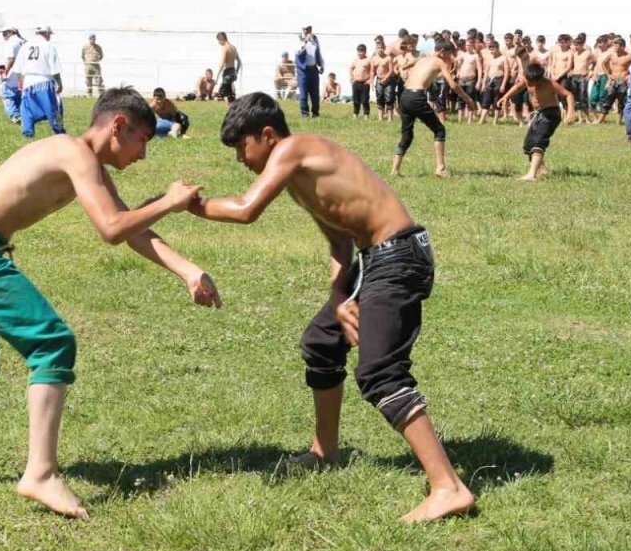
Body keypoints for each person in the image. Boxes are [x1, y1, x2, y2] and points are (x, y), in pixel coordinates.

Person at [0, 89, 219, 518]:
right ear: (118, 125)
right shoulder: (74, 152)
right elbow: (112, 228)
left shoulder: (80, 158)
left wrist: (188, 271)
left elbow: (128, 229)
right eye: (143, 140)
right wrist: (167, 202)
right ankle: (40, 474)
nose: (143, 154)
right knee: (53, 343)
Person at [188, 94, 476, 522]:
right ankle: (325, 452)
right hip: (376, 258)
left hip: (398, 257)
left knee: (380, 373)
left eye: (241, 148)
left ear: (267, 136)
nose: (239, 159)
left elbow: (247, 210)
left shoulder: (294, 149)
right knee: (322, 342)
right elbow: (340, 239)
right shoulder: (297, 177)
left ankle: (448, 487)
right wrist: (340, 298)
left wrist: (190, 206)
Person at [392, 38, 476, 178]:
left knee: (407, 135)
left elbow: (411, 66)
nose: (451, 57)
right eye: (450, 54)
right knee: (439, 130)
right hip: (417, 97)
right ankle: (441, 168)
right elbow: (453, 85)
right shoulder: (439, 61)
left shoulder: (422, 59)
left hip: (405, 96)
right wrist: (468, 99)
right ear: (442, 52)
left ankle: (395, 170)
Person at [497, 62, 575, 181]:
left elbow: (568, 95)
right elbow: (517, 87)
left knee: (538, 141)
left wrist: (570, 112)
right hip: (539, 114)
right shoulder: (527, 79)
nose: (529, 84)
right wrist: (506, 97)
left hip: (551, 114)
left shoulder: (549, 84)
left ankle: (531, 175)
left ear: (540, 79)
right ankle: (542, 169)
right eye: (527, 81)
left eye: (532, 83)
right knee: (529, 143)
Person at [19, 25, 65, 138]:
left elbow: (20, 67)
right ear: (47, 33)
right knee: (53, 109)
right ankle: (60, 133)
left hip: (28, 82)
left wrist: (21, 82)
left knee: (27, 110)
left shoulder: (25, 46)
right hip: (44, 81)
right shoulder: (49, 46)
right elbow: (54, 68)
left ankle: (27, 133)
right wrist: (59, 83)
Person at [295, 26, 323, 118]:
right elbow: (298, 52)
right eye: (306, 29)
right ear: (303, 29)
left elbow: (318, 52)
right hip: (303, 70)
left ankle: (315, 113)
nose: (308, 31)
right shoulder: (298, 39)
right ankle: (305, 114)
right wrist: (305, 41)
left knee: (315, 93)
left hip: (314, 69)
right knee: (303, 94)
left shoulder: (314, 39)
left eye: (309, 28)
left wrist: (321, 65)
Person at [0, 28, 25, 124]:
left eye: (4, 33)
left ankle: (15, 115)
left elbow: (11, 58)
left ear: (10, 33)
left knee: (7, 95)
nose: (3, 36)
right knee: (19, 95)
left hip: (13, 72)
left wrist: (5, 72)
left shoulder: (11, 42)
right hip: (23, 73)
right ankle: (21, 114)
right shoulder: (23, 41)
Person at [215, 32, 241, 102]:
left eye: (218, 40)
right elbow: (239, 62)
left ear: (221, 38)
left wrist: (216, 77)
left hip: (227, 73)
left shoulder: (225, 48)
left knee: (220, 96)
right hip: (233, 72)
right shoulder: (233, 47)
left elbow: (222, 63)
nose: (218, 43)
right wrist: (236, 72)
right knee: (230, 96)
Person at [349, 44, 372, 119]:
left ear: (365, 51)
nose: (360, 53)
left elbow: (372, 71)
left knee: (365, 100)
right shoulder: (356, 60)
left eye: (361, 51)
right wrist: (351, 77)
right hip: (356, 82)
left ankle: (366, 115)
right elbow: (351, 68)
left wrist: (370, 80)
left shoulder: (369, 59)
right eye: (359, 51)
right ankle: (355, 114)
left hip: (365, 83)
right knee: (355, 100)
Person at [81, 34, 104, 98]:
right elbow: (82, 56)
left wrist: (97, 60)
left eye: (93, 39)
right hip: (88, 65)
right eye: (91, 39)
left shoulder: (98, 47)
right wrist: (86, 63)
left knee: (99, 80)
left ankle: (101, 94)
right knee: (88, 80)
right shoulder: (85, 47)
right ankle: (89, 94)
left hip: (96, 65)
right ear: (89, 39)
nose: (92, 40)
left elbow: (101, 56)